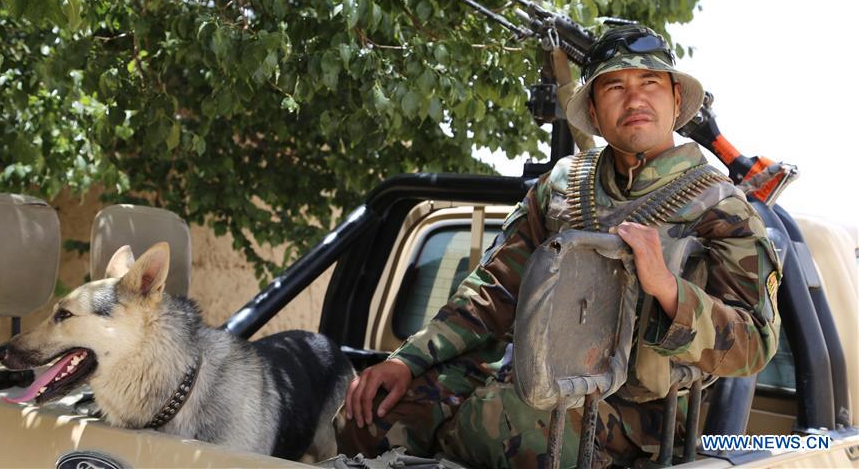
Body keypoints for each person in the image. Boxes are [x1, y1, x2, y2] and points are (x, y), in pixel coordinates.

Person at [334, 24, 782, 468]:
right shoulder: (564, 186)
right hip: (528, 379)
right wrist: (407, 360)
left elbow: (754, 343)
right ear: (593, 106)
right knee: (372, 411)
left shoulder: (721, 206)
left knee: (501, 425)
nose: (635, 99)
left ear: (676, 99)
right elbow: (492, 291)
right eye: (614, 87)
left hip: (638, 413)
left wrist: (670, 290)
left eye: (650, 83)